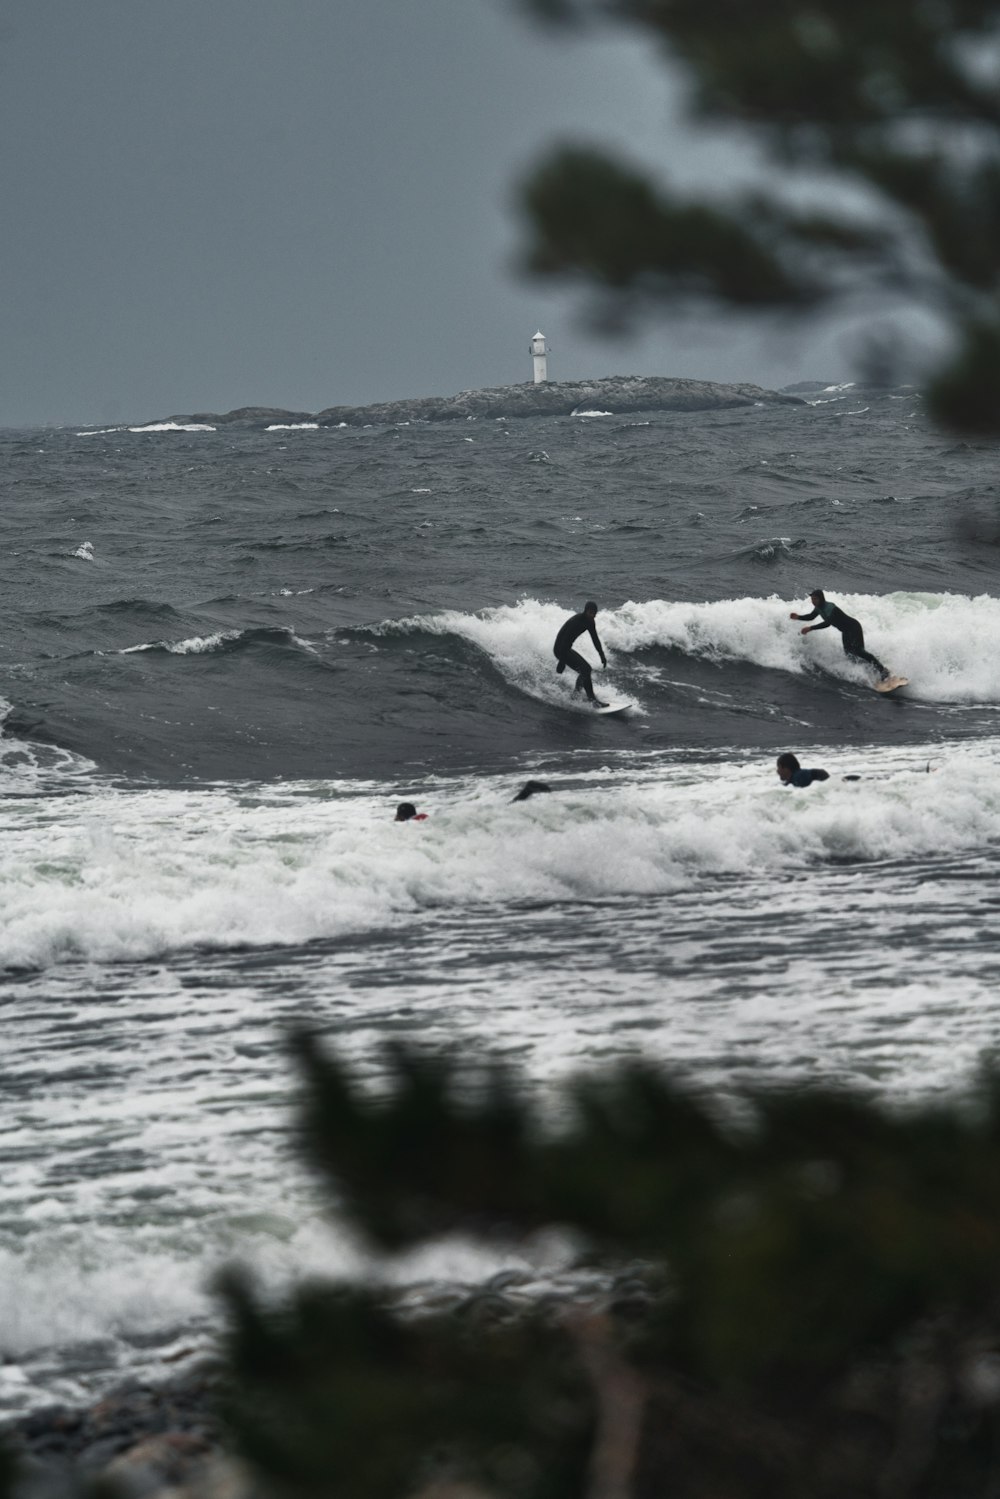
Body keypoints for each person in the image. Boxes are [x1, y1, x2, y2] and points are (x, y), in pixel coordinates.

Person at [790, 590, 889, 680]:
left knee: (859, 650)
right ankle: (869, 667)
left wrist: (810, 628)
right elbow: (810, 617)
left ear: (821, 598)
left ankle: (882, 670)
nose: (813, 601)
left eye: (815, 599)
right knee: (849, 653)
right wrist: (798, 617)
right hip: (845, 631)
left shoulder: (830, 607)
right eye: (812, 599)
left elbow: (827, 623)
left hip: (854, 628)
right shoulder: (818, 608)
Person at [553, 601, 608, 706]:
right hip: (560, 649)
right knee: (586, 669)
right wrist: (562, 661)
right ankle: (592, 700)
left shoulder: (590, 621)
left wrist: (602, 655)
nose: (593, 615)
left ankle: (575, 695)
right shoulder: (576, 621)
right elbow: (564, 640)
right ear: (586, 611)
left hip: (566, 648)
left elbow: (595, 639)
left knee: (585, 670)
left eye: (594, 613)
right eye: (591, 613)